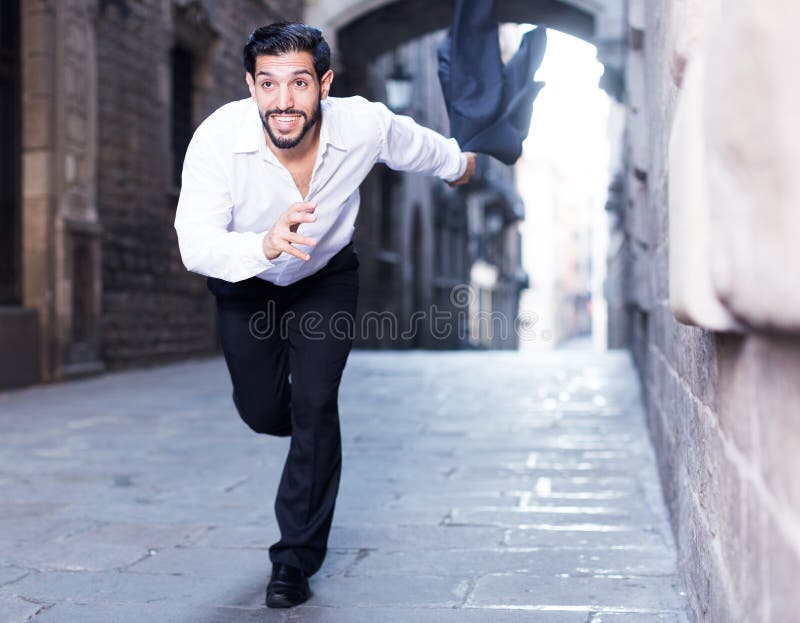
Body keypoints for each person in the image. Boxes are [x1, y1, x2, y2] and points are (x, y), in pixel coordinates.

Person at [173, 21, 476, 609]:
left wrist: (461, 164)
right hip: (246, 281)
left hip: (324, 279)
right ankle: (311, 433)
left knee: (315, 404)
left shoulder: (361, 125)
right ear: (251, 86)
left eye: (299, 83)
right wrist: (264, 244)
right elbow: (195, 243)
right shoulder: (217, 140)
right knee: (264, 412)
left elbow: (418, 145)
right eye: (268, 84)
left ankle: (294, 559)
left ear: (325, 84)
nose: (283, 101)